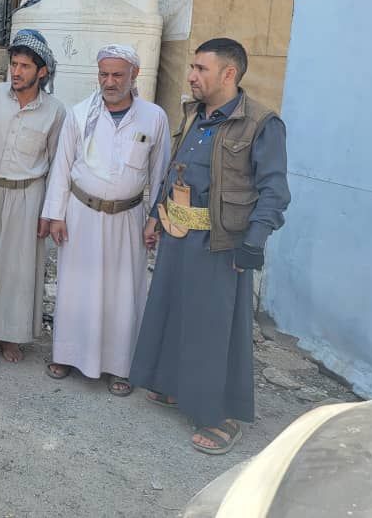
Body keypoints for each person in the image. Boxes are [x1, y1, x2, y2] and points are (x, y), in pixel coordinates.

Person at [130, 38, 290, 455]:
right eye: (192, 68)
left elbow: (274, 191)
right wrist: (157, 215)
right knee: (173, 311)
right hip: (178, 235)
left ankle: (221, 415)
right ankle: (173, 385)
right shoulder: (194, 115)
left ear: (228, 74)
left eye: (200, 68)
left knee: (214, 329)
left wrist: (253, 244)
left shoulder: (261, 124)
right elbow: (174, 171)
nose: (191, 76)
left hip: (221, 244)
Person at [41, 45, 171, 396]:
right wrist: (55, 215)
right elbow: (62, 167)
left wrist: (155, 219)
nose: (109, 82)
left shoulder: (153, 117)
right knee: (76, 288)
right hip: (81, 216)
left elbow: (160, 174)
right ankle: (67, 356)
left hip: (128, 219)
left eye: (117, 75)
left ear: (134, 75)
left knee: (123, 293)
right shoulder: (79, 114)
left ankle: (121, 367)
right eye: (104, 74)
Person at [0, 29, 66, 362]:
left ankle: (11, 336)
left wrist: (50, 211)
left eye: (24, 66)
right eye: (14, 64)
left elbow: (57, 164)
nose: (16, 72)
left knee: (18, 271)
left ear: (42, 71)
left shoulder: (55, 111)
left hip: (27, 196)